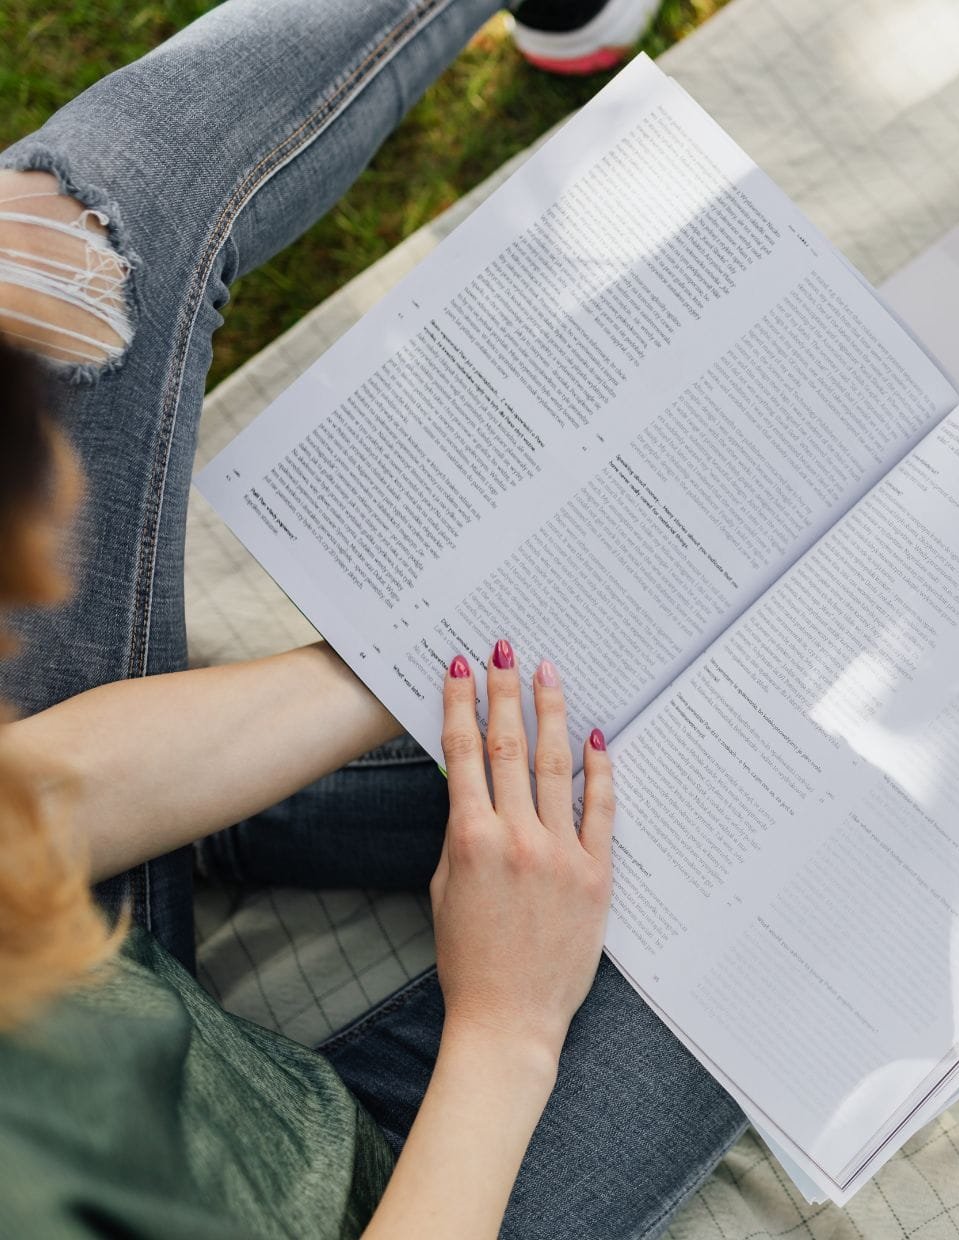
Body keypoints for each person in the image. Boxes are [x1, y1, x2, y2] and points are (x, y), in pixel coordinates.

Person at [0, 2, 745, 1236]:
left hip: (87, 979)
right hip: (402, 1196)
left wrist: (395, 651)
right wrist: (507, 1030)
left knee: (52, 250)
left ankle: (240, 828)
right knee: (774, 818)